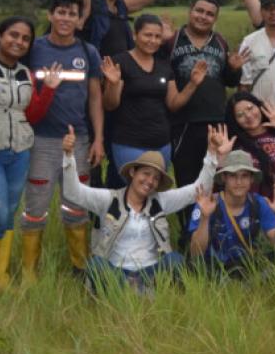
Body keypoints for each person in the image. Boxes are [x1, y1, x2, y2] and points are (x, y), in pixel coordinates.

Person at [60, 123, 234, 293]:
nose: (150, 181)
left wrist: (212, 155)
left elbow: (199, 189)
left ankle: (140, 290)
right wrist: (68, 156)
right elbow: (73, 192)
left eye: (156, 178)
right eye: (145, 174)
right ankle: (133, 292)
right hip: (116, 270)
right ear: (133, 173)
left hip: (150, 271)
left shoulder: (160, 201)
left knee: (176, 261)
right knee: (96, 266)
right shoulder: (108, 199)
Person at [0, 17, 60, 292]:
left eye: (25, 39)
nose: (18, 42)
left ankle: (1, 278)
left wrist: (49, 91)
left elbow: (31, 114)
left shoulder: (26, 74)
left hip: (20, 151)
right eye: (13, 35)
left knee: (8, 213)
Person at [22, 0, 104, 280]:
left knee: (76, 205)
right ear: (50, 15)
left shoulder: (88, 52)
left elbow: (95, 98)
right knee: (35, 207)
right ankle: (30, 272)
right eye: (61, 12)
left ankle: (80, 268)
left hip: (79, 141)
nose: (66, 18)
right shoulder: (34, 49)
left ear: (79, 19)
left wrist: (98, 139)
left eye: (72, 14)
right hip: (41, 141)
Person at [162, 0, 247, 189]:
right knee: (188, 182)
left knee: (218, 181)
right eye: (199, 11)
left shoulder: (220, 42)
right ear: (190, 11)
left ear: (215, 18)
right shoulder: (172, 41)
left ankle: (215, 218)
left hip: (216, 122)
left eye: (209, 14)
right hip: (184, 124)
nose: (203, 17)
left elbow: (229, 81)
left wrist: (234, 69)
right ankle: (189, 220)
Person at [100, 14, 195, 178]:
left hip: (161, 143)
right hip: (129, 143)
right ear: (135, 35)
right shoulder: (120, 62)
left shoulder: (164, 66)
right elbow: (110, 105)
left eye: (157, 36)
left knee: (154, 193)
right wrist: (113, 83)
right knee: (130, 193)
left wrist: (193, 83)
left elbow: (173, 103)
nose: (152, 40)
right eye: (148, 35)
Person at [187, 150, 275, 278]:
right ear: (224, 177)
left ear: (251, 179)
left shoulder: (258, 202)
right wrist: (205, 218)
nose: (239, 182)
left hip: (248, 266)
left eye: (244, 176)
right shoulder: (208, 204)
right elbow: (195, 253)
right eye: (233, 176)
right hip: (214, 268)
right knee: (193, 269)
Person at [225, 92, 275, 198]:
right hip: (254, 210)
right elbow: (222, 183)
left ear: (259, 106)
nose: (248, 116)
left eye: (250, 108)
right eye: (240, 115)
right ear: (235, 121)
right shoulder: (234, 145)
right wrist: (221, 156)